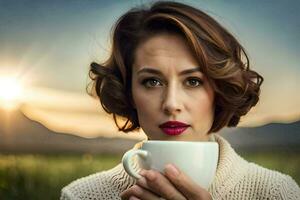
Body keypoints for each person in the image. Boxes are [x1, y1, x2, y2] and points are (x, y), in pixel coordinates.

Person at [60, 1, 300, 200]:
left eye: (193, 81)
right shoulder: (81, 196)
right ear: (128, 91)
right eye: (152, 82)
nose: (171, 103)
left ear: (219, 90)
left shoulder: (277, 192)